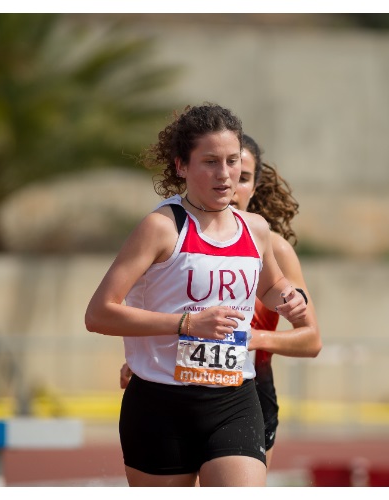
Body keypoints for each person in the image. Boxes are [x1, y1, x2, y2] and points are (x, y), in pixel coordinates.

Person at [85, 104, 308, 486]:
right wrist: (187, 323)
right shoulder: (160, 228)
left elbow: (270, 287)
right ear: (181, 166)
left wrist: (290, 297)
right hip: (160, 404)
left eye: (232, 161)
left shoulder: (255, 229)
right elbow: (99, 314)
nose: (225, 175)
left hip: (234, 398)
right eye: (209, 162)